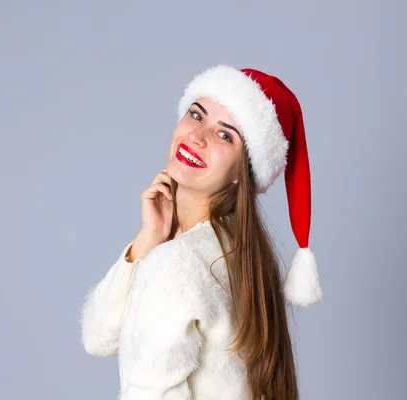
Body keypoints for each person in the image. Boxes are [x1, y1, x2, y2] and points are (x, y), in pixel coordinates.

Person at [80, 65, 323, 400]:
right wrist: (147, 241)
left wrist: (159, 253)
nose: (197, 136)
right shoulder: (242, 254)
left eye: (225, 135)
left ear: (243, 170)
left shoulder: (177, 264)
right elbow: (99, 336)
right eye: (197, 115)